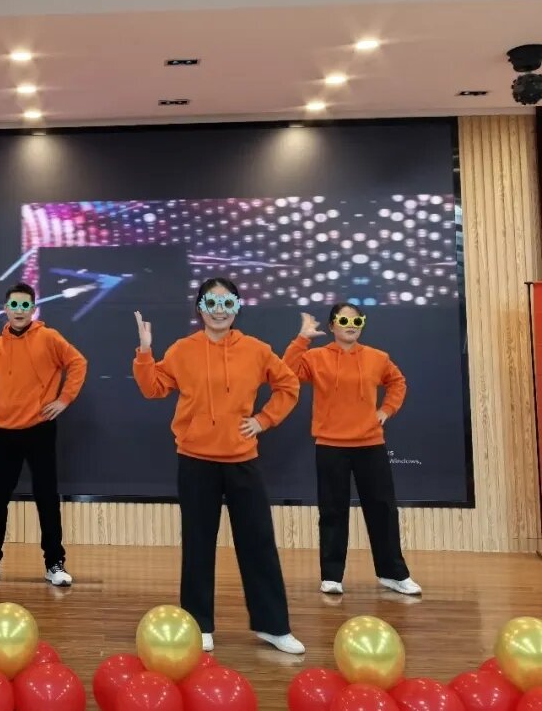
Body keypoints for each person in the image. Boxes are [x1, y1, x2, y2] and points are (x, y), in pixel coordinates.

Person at [133, 277, 305, 654]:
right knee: (198, 543)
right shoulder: (182, 350)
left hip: (242, 459)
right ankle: (199, 624)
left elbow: (288, 386)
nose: (219, 310)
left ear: (237, 308)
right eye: (212, 303)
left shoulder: (257, 350)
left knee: (258, 542)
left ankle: (273, 626)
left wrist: (263, 420)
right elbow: (153, 388)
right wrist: (145, 352)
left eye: (228, 303)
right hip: (195, 459)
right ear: (200, 308)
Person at [283, 303, 419, 596]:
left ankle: (393, 574)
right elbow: (287, 372)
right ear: (332, 325)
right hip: (330, 445)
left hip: (371, 443)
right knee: (332, 511)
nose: (350, 325)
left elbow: (398, 382)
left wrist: (386, 409)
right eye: (344, 321)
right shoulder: (316, 357)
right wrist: (303, 338)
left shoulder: (377, 357)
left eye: (357, 321)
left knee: (383, 510)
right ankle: (332, 576)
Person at [0, 282, 88, 586]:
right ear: (6, 309)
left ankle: (54, 563)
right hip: (3, 431)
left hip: (39, 430)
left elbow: (77, 362)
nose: (19, 310)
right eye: (14, 305)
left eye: (25, 305)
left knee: (47, 498)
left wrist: (64, 400)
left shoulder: (49, 337)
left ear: (33, 309)